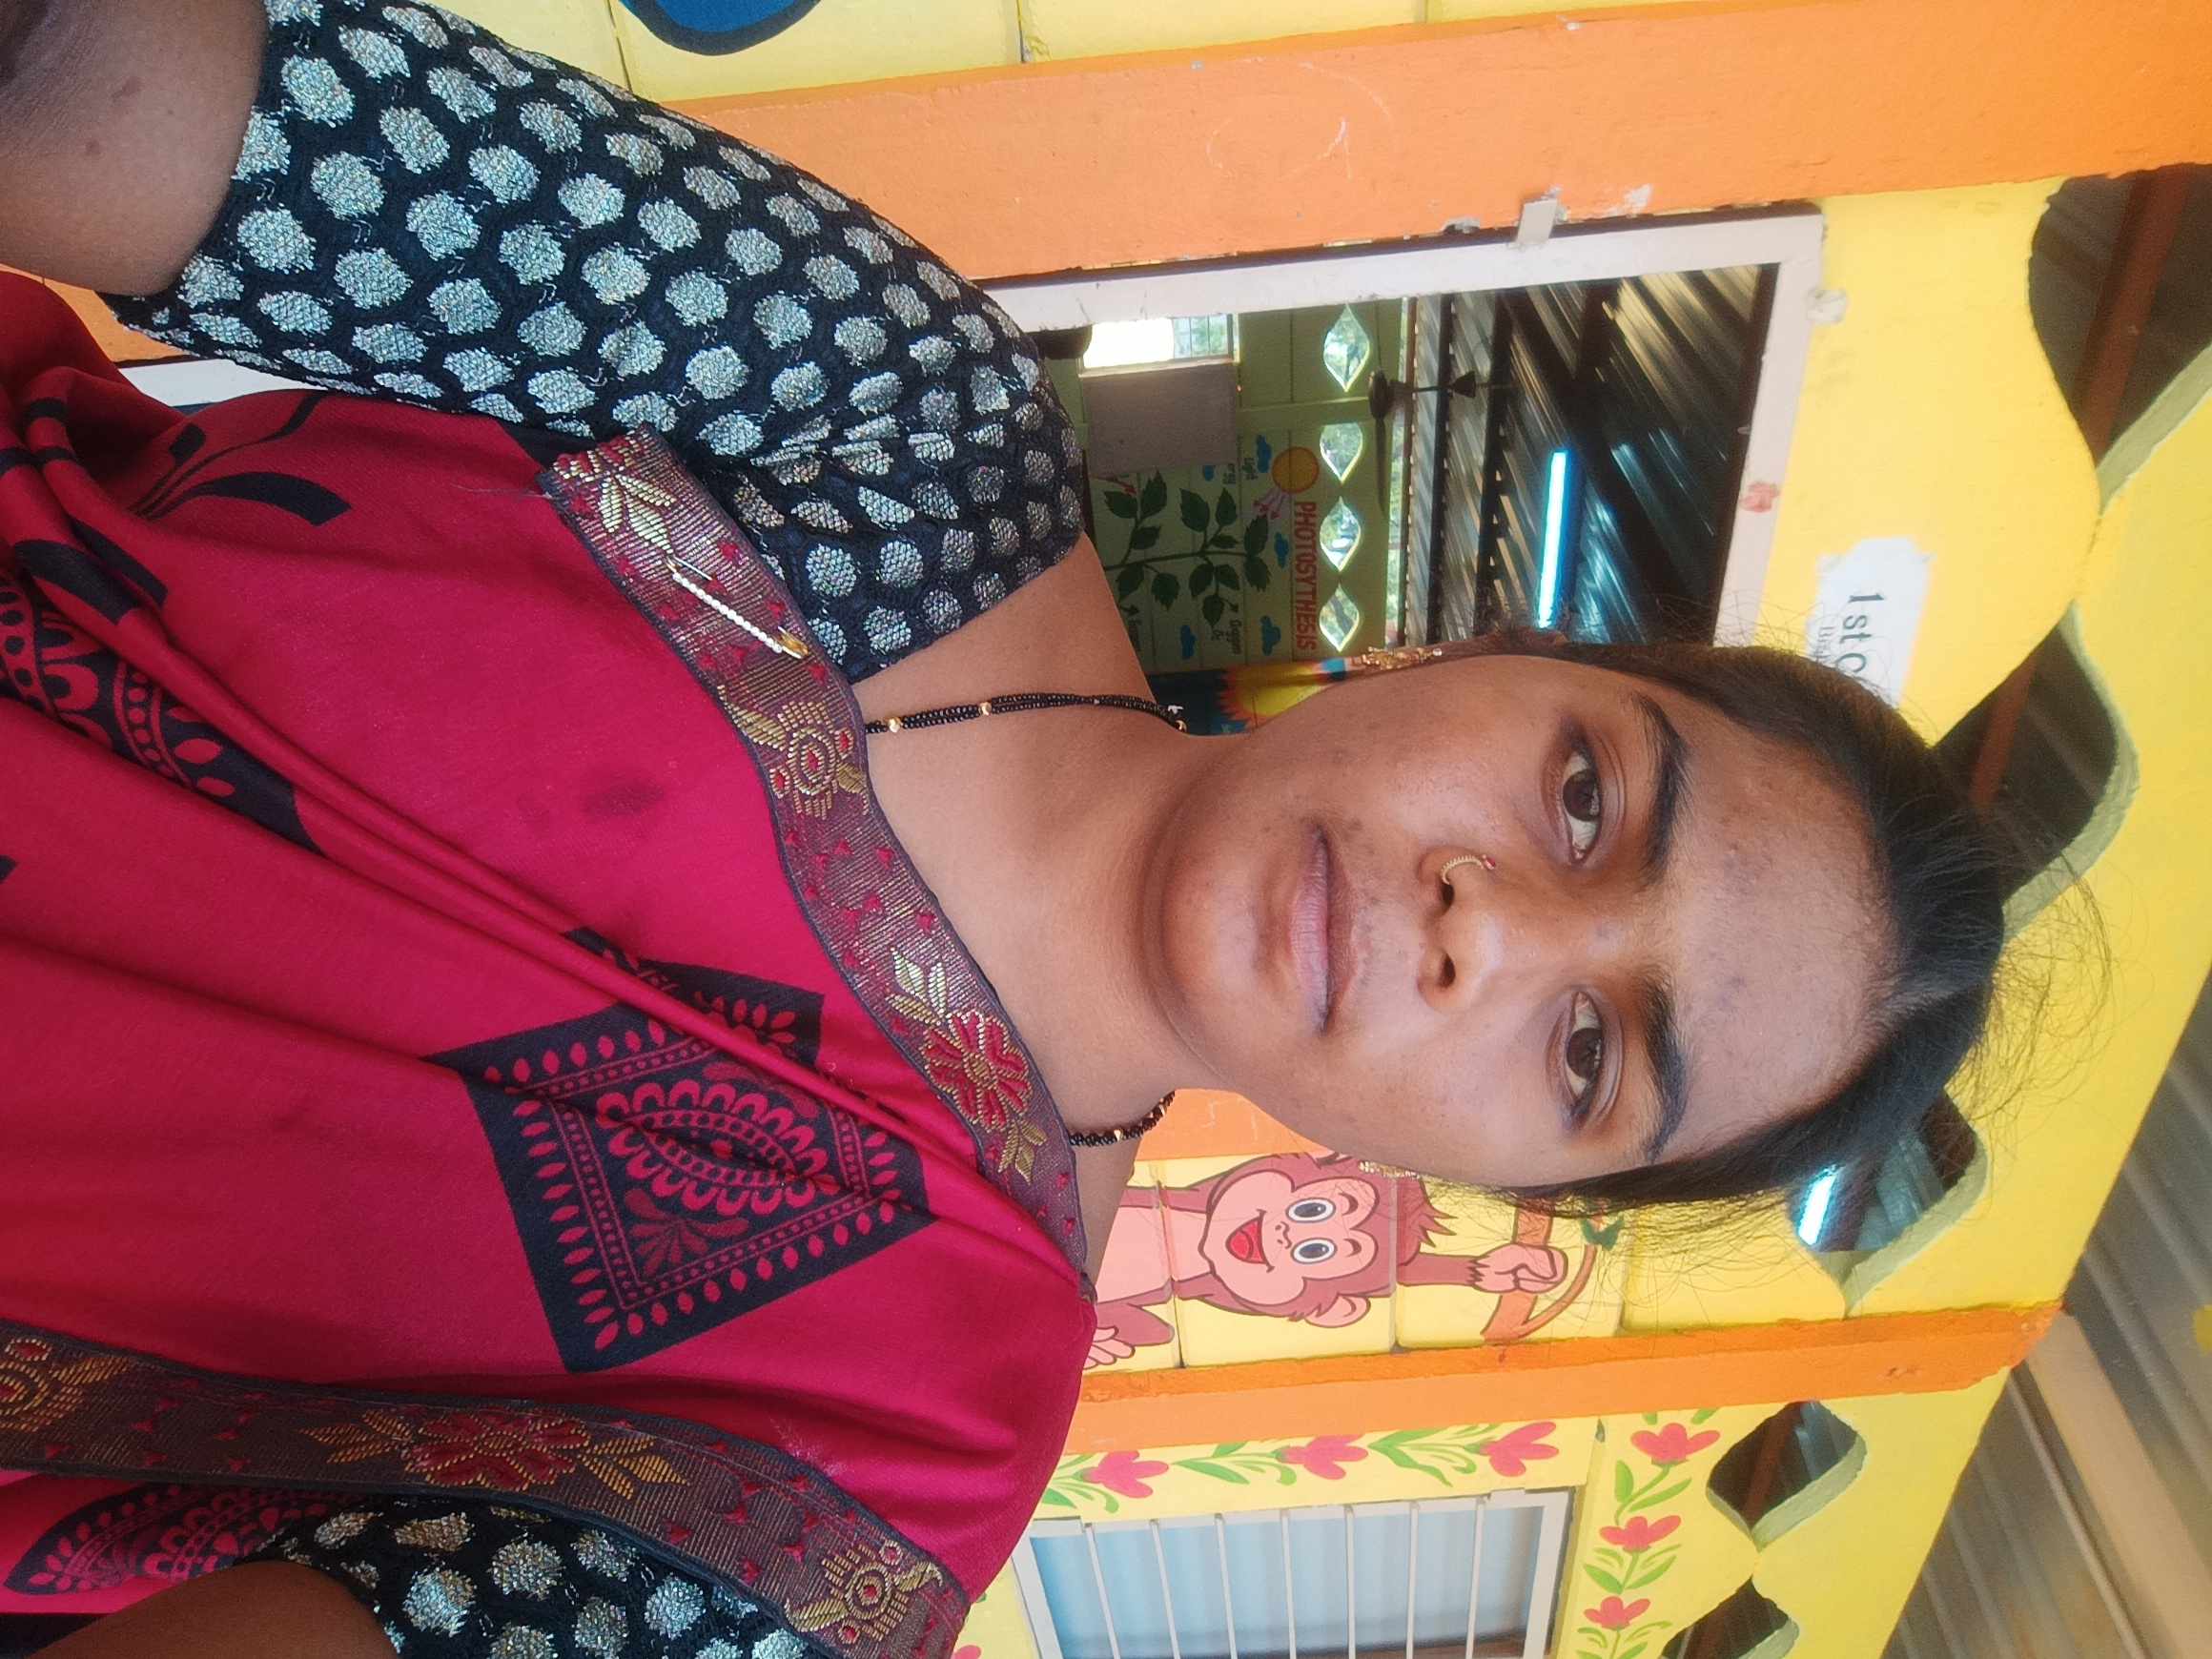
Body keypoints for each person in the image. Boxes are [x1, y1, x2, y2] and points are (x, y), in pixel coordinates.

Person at [0, 1, 2007, 1654]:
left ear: (1504, 1187)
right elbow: (112, 89)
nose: (1485, 927)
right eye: (1585, 796)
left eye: (1585, 1054)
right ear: (1497, 648)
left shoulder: (884, 1463)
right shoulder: (900, 425)